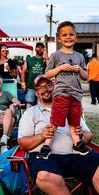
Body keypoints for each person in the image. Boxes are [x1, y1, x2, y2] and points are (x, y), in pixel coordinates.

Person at [38, 21, 90, 160]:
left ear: (76, 37)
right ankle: (47, 146)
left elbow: (86, 77)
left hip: (76, 95)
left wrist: (79, 69)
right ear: (59, 39)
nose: (68, 37)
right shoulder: (56, 55)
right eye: (64, 35)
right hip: (61, 94)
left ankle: (76, 143)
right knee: (55, 121)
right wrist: (61, 68)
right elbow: (47, 73)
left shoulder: (80, 57)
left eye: (71, 34)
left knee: (74, 122)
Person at [21, 42, 47, 107]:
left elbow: (50, 69)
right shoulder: (29, 59)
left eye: (42, 47)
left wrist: (46, 58)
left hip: (42, 88)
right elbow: (23, 72)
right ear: (35, 48)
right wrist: (23, 84)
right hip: (30, 87)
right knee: (29, 106)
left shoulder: (45, 60)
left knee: (42, 106)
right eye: (38, 47)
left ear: (44, 49)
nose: (40, 49)